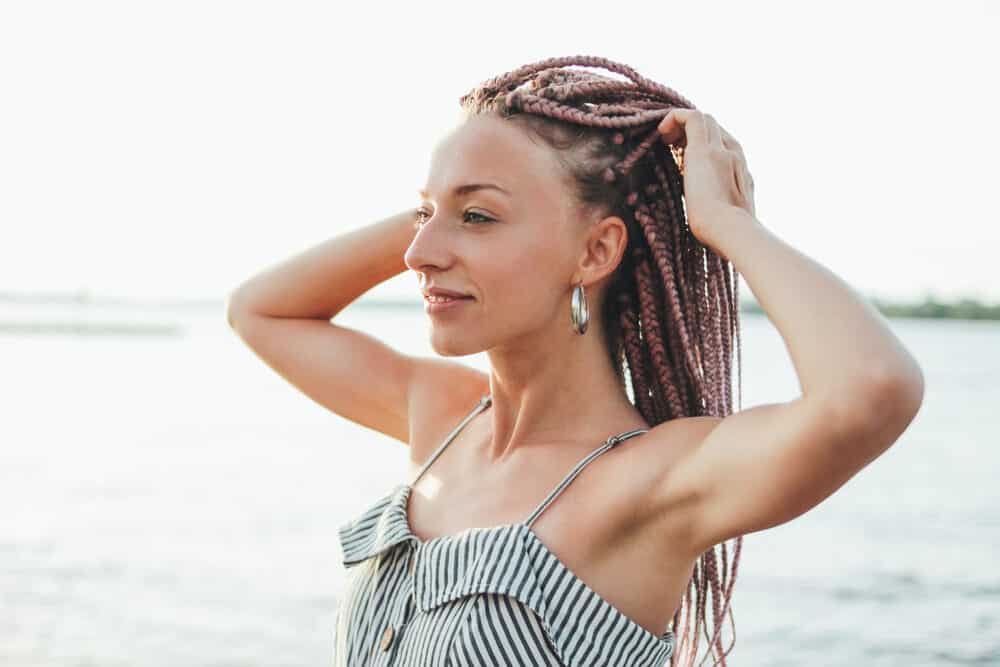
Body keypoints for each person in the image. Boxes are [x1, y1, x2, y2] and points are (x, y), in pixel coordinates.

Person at [226, 55, 924, 666]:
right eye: (423, 215)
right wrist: (451, 200)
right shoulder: (439, 418)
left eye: (479, 218)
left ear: (596, 251)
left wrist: (724, 222)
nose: (417, 254)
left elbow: (871, 388)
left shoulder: (650, 482)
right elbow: (259, 310)